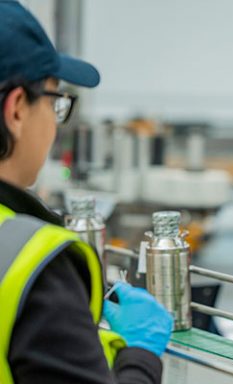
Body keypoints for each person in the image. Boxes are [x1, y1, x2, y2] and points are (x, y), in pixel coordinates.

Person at [0, 1, 173, 383]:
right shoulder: (32, 263)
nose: (54, 123)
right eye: (55, 101)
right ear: (16, 110)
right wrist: (141, 356)